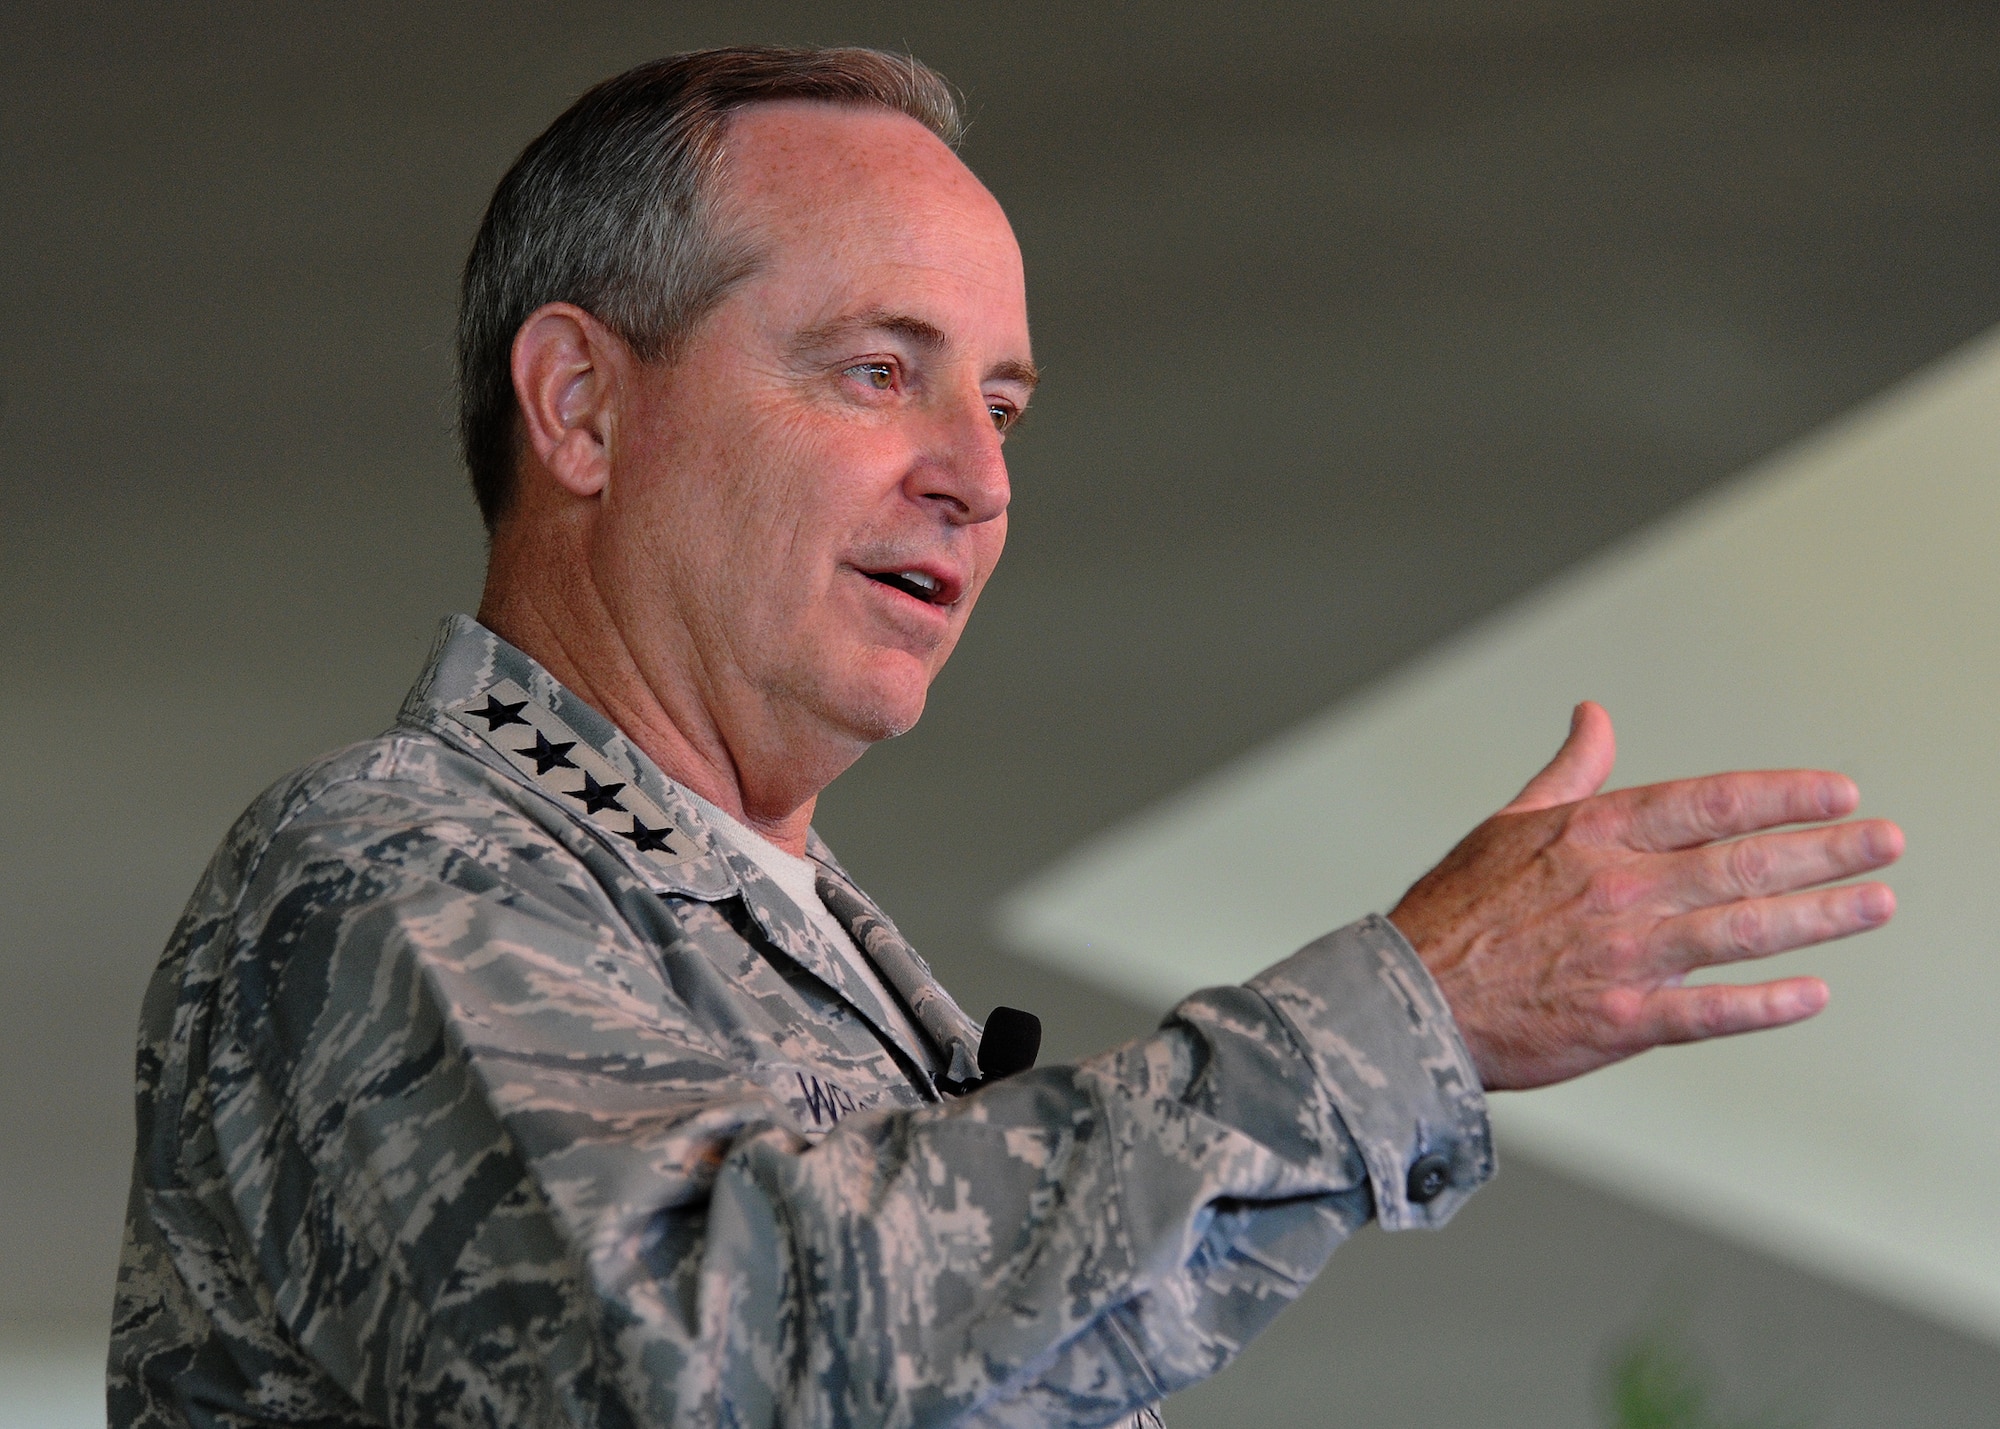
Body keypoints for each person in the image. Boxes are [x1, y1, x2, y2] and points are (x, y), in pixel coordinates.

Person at [108, 47, 1903, 1429]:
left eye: (1005, 401)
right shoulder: (386, 865)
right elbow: (693, 1368)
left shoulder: (813, 953)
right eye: (879, 370)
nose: (976, 477)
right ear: (581, 404)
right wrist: (1399, 1018)